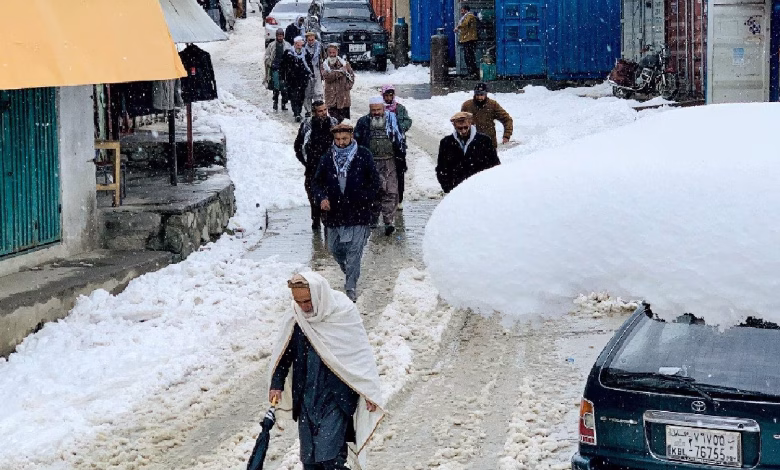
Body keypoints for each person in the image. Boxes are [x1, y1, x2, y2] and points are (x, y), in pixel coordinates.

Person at [269, 272, 384, 470]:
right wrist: (276, 384)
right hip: (307, 398)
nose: (304, 306)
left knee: (330, 459)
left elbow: (360, 356)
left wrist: (369, 392)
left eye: (307, 301)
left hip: (336, 398)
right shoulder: (296, 317)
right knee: (310, 461)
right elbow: (284, 354)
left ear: (318, 294)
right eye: (298, 301)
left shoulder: (342, 313)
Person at [312, 121, 380, 302]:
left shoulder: (363, 155)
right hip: (335, 213)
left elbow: (375, 182)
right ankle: (349, 269)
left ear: (351, 137)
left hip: (359, 212)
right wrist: (322, 198)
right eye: (338, 139)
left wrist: (365, 197)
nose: (341, 142)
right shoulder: (328, 158)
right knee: (335, 249)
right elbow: (317, 182)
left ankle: (351, 287)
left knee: (354, 251)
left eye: (344, 138)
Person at [354, 97, 406, 236]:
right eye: (373, 110)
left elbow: (400, 139)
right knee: (374, 191)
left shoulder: (392, 121)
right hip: (371, 163)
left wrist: (401, 159)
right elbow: (357, 143)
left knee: (390, 191)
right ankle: (373, 218)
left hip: (390, 161)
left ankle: (389, 221)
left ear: (383, 109)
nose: (376, 112)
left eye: (378, 110)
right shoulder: (363, 122)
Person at [295, 101, 338, 230]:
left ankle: (327, 220)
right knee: (313, 194)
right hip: (312, 166)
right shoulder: (307, 125)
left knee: (329, 194)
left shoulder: (333, 123)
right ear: (314, 112)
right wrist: (305, 161)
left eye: (325, 110)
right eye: (320, 111)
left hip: (330, 166)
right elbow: (298, 145)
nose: (324, 113)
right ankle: (316, 219)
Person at [436, 111, 500, 193]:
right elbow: (442, 167)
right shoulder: (446, 142)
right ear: (454, 126)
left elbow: (494, 165)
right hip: (456, 189)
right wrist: (447, 187)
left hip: (480, 188)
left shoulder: (484, 141)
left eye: (465, 127)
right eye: (460, 128)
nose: (463, 131)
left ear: (470, 124)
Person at [380, 85, 412, 210]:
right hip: (383, 145)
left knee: (399, 172)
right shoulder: (379, 108)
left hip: (398, 145)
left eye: (390, 95)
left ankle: (399, 199)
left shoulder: (399, 108)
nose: (388, 98)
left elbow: (407, 121)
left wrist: (398, 128)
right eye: (386, 95)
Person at [460, 82, 513, 149]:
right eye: (477, 94)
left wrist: (506, 135)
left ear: (486, 94)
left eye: (482, 94)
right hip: (471, 145)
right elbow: (460, 123)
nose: (479, 97)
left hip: (489, 144)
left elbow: (507, 119)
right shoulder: (467, 106)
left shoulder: (493, 105)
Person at [281, 36, 312, 122]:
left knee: (301, 96)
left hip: (302, 79)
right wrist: (283, 77)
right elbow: (283, 66)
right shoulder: (288, 53)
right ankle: (296, 113)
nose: (299, 47)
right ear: (294, 44)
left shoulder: (305, 53)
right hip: (292, 79)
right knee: (294, 96)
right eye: (297, 45)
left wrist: (310, 74)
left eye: (300, 45)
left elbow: (309, 65)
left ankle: (299, 110)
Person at [322, 43, 354, 123]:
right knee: (334, 123)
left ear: (337, 52)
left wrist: (347, 86)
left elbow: (351, 76)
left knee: (345, 123)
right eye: (330, 53)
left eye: (334, 52)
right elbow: (328, 77)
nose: (332, 55)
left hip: (344, 99)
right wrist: (341, 72)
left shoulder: (344, 63)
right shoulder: (325, 64)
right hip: (332, 99)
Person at [264, 28, 292, 111]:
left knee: (284, 87)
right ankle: (275, 103)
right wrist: (270, 63)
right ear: (276, 36)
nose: (280, 38)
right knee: (276, 86)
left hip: (284, 69)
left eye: (281, 36)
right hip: (275, 68)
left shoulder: (287, 45)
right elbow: (267, 55)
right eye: (278, 36)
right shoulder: (271, 45)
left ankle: (283, 104)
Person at [303, 31, 325, 118]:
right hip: (307, 71)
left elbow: (323, 58)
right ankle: (308, 110)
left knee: (318, 91)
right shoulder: (303, 48)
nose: (311, 41)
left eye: (312, 39)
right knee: (307, 92)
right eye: (309, 40)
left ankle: (318, 109)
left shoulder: (319, 47)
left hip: (316, 70)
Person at [454, 5, 479, 79]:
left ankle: (473, 73)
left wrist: (458, 27)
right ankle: (471, 73)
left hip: (469, 39)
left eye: (462, 10)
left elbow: (465, 23)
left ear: (466, 10)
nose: (461, 12)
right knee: (468, 57)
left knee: (469, 57)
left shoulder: (469, 16)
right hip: (467, 39)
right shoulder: (466, 16)